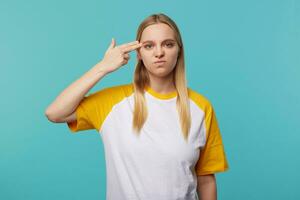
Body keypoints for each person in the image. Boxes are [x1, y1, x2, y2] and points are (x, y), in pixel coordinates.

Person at [45, 13, 229, 200]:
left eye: (168, 44)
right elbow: (55, 113)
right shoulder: (113, 102)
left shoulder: (200, 108)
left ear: (179, 51)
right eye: (149, 46)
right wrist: (103, 67)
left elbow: (205, 179)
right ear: (139, 54)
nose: (159, 53)